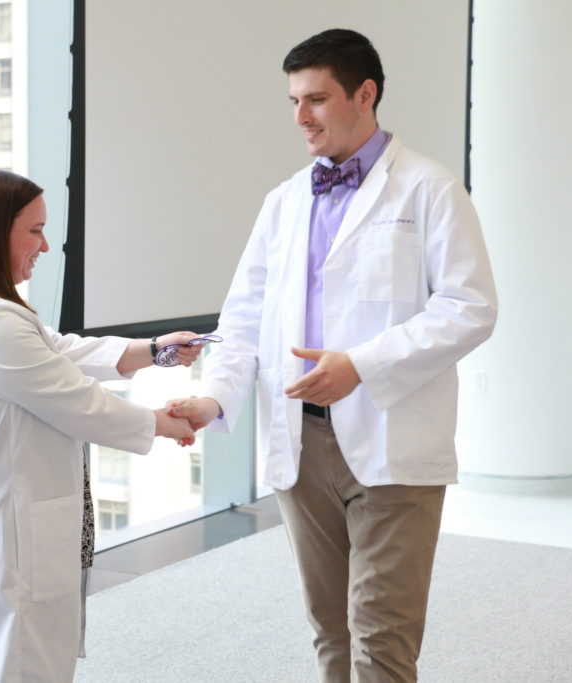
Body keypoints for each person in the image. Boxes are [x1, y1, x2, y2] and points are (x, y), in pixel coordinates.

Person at [167, 29, 497, 682]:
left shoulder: (430, 190)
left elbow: (471, 307)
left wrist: (361, 365)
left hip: (391, 436)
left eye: (315, 99)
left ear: (364, 94)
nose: (300, 118)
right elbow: (245, 318)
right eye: (294, 100)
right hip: (300, 444)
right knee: (330, 633)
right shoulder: (284, 201)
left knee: (382, 640)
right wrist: (213, 397)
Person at [0, 168, 199, 682]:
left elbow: (63, 349)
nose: (45, 246)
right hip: (9, 542)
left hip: (9, 530)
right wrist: (165, 422)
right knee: (17, 665)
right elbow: (78, 401)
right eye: (34, 231)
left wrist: (155, 350)